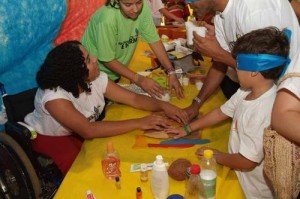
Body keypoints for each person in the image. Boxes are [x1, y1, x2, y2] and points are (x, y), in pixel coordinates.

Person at [24, 41, 189, 175]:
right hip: (50, 139)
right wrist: (141, 122)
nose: (95, 59)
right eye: (88, 60)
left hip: (77, 131)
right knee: (85, 172)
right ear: (74, 73)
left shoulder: (95, 78)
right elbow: (88, 130)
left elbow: (133, 98)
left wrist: (163, 105)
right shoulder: (54, 99)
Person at [166, 27, 290, 198]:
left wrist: (215, 156)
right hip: (238, 175)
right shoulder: (245, 91)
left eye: (238, 65)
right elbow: (221, 113)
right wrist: (187, 129)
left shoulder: (264, 111)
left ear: (254, 70)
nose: (235, 69)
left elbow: (247, 161)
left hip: (252, 190)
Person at [184, 0, 300, 120]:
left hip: (288, 98)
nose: (188, 4)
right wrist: (196, 104)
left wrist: (218, 53)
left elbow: (266, 70)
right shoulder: (220, 17)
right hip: (265, 95)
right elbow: (221, 64)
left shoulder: (254, 9)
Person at [81, 0, 184, 99]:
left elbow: (154, 40)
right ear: (117, 1)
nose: (135, 9)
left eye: (139, 2)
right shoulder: (107, 18)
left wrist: (171, 72)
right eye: (128, 4)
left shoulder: (143, 9)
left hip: (115, 73)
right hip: (93, 76)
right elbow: (107, 59)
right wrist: (139, 79)